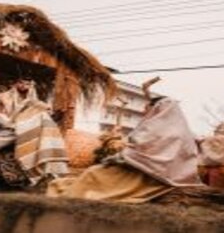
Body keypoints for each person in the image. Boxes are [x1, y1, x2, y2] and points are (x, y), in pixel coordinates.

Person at [47, 86, 202, 203]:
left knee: (93, 173)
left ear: (157, 109)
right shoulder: (183, 132)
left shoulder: (155, 129)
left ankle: (73, 197)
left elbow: (138, 152)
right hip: (163, 175)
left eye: (148, 108)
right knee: (89, 174)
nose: (144, 111)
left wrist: (117, 157)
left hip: (144, 175)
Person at [0, 71, 68, 186]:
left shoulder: (37, 104)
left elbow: (33, 118)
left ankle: (47, 173)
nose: (24, 86)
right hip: (5, 127)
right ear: (15, 84)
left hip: (23, 128)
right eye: (21, 83)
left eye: (27, 84)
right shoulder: (2, 98)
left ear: (31, 86)